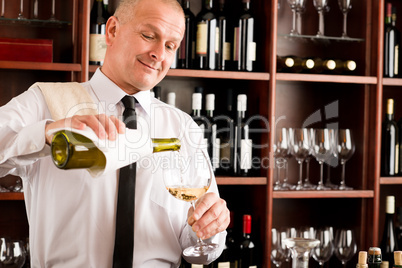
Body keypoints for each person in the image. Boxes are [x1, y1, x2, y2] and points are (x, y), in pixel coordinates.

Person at [0, 0, 230, 267]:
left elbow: (199, 250)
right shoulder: (45, 101)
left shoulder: (183, 127)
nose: (159, 54)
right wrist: (48, 132)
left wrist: (209, 229)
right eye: (148, 35)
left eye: (170, 45)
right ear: (111, 31)